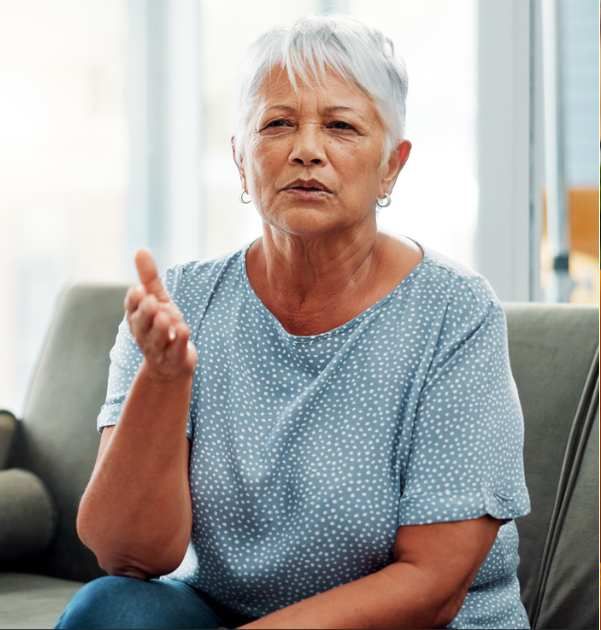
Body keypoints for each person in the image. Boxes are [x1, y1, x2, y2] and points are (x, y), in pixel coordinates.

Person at [57, 15, 531, 629]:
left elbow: (432, 585)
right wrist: (165, 378)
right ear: (240, 157)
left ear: (392, 165)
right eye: (278, 124)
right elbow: (128, 553)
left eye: (340, 126)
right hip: (230, 612)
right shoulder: (181, 300)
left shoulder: (454, 313)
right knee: (112, 610)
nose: (306, 149)